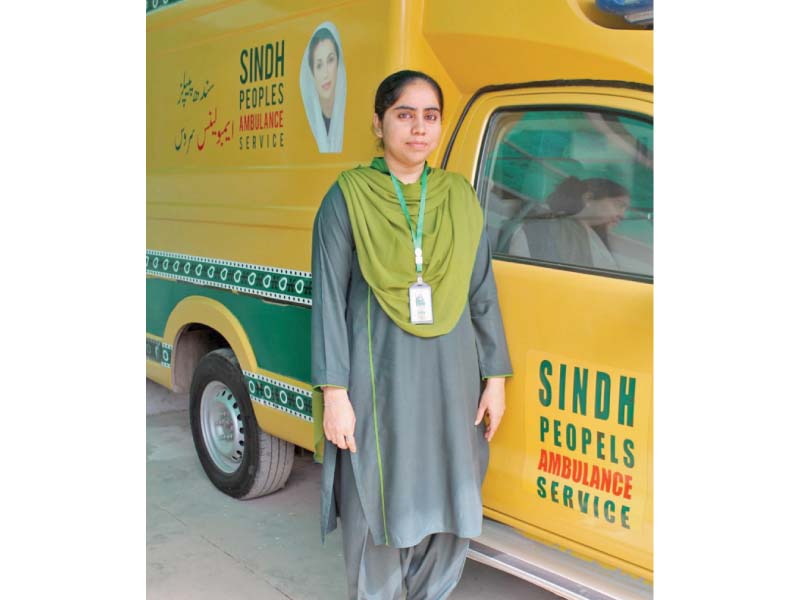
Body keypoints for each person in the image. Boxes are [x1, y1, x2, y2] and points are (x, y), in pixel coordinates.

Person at [311, 70, 512, 599]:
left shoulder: (458, 197)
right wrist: (335, 394)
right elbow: (328, 299)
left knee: (449, 486)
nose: (419, 128)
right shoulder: (348, 197)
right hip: (377, 377)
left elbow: (481, 289)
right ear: (378, 124)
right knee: (378, 491)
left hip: (452, 377)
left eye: (430, 116)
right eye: (404, 114)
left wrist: (495, 376)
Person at [508, 176, 630, 269]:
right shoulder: (545, 231)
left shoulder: (593, 236)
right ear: (588, 199)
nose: (622, 215)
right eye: (618, 205)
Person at [300, 22, 347, 153]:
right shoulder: (305, 129)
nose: (326, 73)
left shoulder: (351, 117)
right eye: (319, 66)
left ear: (338, 63)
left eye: (330, 60)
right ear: (312, 73)